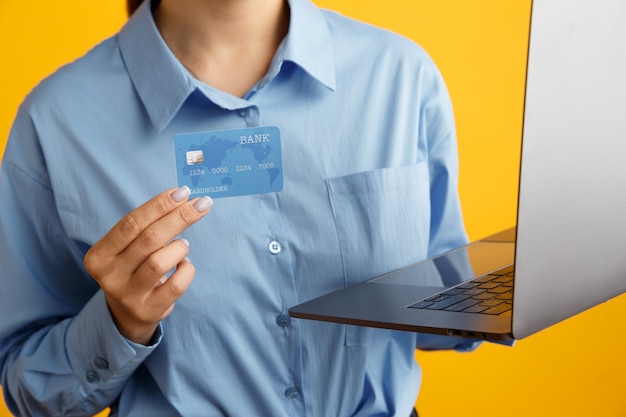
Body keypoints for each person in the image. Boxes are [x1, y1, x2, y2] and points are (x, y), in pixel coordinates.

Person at [0, 0, 479, 415]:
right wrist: (120, 323)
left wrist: (510, 289)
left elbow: (443, 315)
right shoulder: (56, 123)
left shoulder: (401, 76)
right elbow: (28, 389)